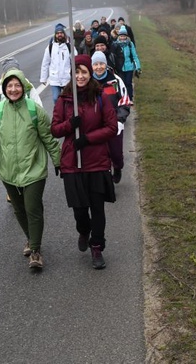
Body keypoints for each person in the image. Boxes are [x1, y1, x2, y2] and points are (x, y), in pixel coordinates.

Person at [0, 68, 61, 270]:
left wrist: (58, 161)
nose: (13, 89)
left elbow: (48, 138)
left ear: (23, 87)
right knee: (19, 209)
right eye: (9, 86)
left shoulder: (34, 110)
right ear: (4, 89)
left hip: (34, 169)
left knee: (33, 208)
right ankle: (31, 240)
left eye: (17, 85)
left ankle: (36, 251)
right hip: (9, 171)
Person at [51, 54, 118, 270]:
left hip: (96, 161)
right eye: (76, 72)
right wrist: (70, 125)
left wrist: (88, 138)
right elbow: (54, 129)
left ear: (91, 75)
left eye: (84, 72)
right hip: (73, 163)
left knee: (97, 208)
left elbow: (111, 127)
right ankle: (83, 230)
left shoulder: (100, 97)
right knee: (80, 209)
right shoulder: (64, 99)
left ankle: (97, 246)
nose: (80, 76)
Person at [0, 57, 44, 204]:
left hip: (26, 134)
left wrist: (38, 130)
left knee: (28, 161)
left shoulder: (27, 87)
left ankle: (29, 189)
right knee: (9, 163)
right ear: (3, 75)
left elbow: (39, 108)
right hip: (6, 134)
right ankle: (12, 191)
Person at [91, 51, 131, 184]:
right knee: (101, 155)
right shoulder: (88, 82)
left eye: (101, 64)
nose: (99, 67)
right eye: (95, 64)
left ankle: (118, 167)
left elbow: (124, 102)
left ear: (106, 64)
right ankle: (106, 179)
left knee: (116, 154)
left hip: (114, 124)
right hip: (96, 125)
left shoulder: (115, 80)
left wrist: (119, 120)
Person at [40, 23, 75, 103]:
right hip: (54, 78)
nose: (59, 35)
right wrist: (43, 78)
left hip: (67, 78)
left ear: (64, 34)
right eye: (58, 33)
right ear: (55, 35)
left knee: (69, 98)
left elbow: (75, 60)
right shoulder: (50, 47)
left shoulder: (69, 47)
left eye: (61, 33)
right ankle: (58, 113)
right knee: (56, 98)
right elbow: (45, 63)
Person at [116, 27, 142, 103]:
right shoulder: (115, 44)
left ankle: (130, 98)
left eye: (124, 36)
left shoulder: (130, 44)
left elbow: (134, 56)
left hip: (129, 67)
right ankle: (123, 98)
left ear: (126, 36)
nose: (123, 37)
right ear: (119, 36)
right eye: (121, 36)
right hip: (120, 68)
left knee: (128, 83)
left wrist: (138, 67)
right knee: (122, 83)